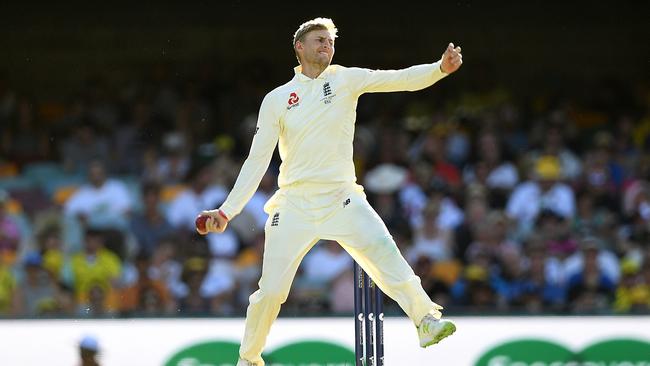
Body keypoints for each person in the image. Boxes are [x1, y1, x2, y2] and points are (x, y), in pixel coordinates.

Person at [197, 17, 462, 366]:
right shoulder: (276, 99)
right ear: (300, 47)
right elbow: (256, 161)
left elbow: (399, 79)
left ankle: (425, 320)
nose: (327, 46)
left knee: (384, 250)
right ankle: (248, 359)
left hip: (342, 197)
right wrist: (227, 211)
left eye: (331, 41)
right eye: (319, 40)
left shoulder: (345, 79)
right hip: (294, 203)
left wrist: (438, 69)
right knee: (272, 291)